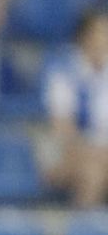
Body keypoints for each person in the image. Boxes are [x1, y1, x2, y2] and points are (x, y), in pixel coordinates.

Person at [45, 10, 108, 208]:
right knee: (92, 173)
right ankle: (83, 234)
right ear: (84, 37)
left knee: (98, 168)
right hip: (67, 152)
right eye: (101, 33)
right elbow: (62, 130)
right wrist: (96, 152)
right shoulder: (63, 70)